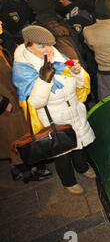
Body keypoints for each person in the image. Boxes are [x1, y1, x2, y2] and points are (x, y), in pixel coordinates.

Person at [12, 25, 96, 195]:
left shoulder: (59, 58)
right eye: (41, 46)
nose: (48, 49)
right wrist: (44, 80)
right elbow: (35, 103)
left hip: (73, 109)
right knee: (62, 153)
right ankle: (68, 181)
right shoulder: (24, 70)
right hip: (54, 117)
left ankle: (82, 167)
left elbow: (80, 85)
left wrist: (77, 72)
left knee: (78, 144)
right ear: (29, 45)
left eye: (49, 45)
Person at [0, 21, 51, 183]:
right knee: (15, 137)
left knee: (20, 135)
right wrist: (2, 103)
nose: (1, 22)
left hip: (13, 98)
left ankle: (24, 166)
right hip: (7, 105)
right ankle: (26, 170)